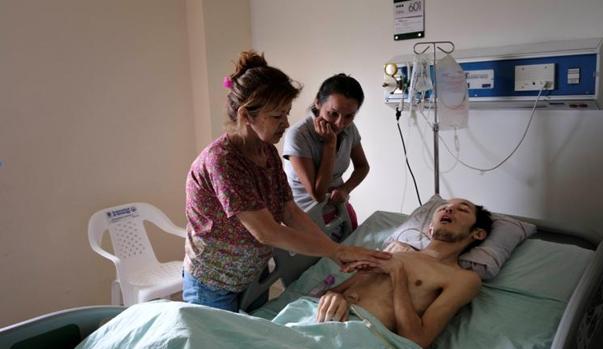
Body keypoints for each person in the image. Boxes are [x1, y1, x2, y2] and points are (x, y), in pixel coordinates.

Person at [183, 51, 390, 312]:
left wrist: (334, 251)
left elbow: (289, 211)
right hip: (214, 283)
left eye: (287, 113)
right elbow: (267, 230)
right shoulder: (223, 161)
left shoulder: (266, 151)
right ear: (247, 115)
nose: (286, 123)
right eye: (277, 116)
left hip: (251, 276)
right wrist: (336, 252)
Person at [316, 198, 493, 348]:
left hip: (360, 335)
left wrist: (397, 273)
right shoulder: (393, 253)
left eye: (462, 209)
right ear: (430, 229)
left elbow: (417, 340)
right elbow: (325, 294)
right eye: (443, 207)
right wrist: (332, 295)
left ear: (478, 233)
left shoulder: (462, 278)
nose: (449, 209)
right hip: (318, 318)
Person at [282, 74, 369, 229]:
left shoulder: (349, 129)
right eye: (333, 113)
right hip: (306, 217)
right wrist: (330, 144)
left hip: (339, 210)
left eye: (349, 116)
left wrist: (345, 189)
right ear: (318, 103)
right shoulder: (298, 135)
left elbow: (363, 167)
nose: (340, 123)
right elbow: (318, 195)